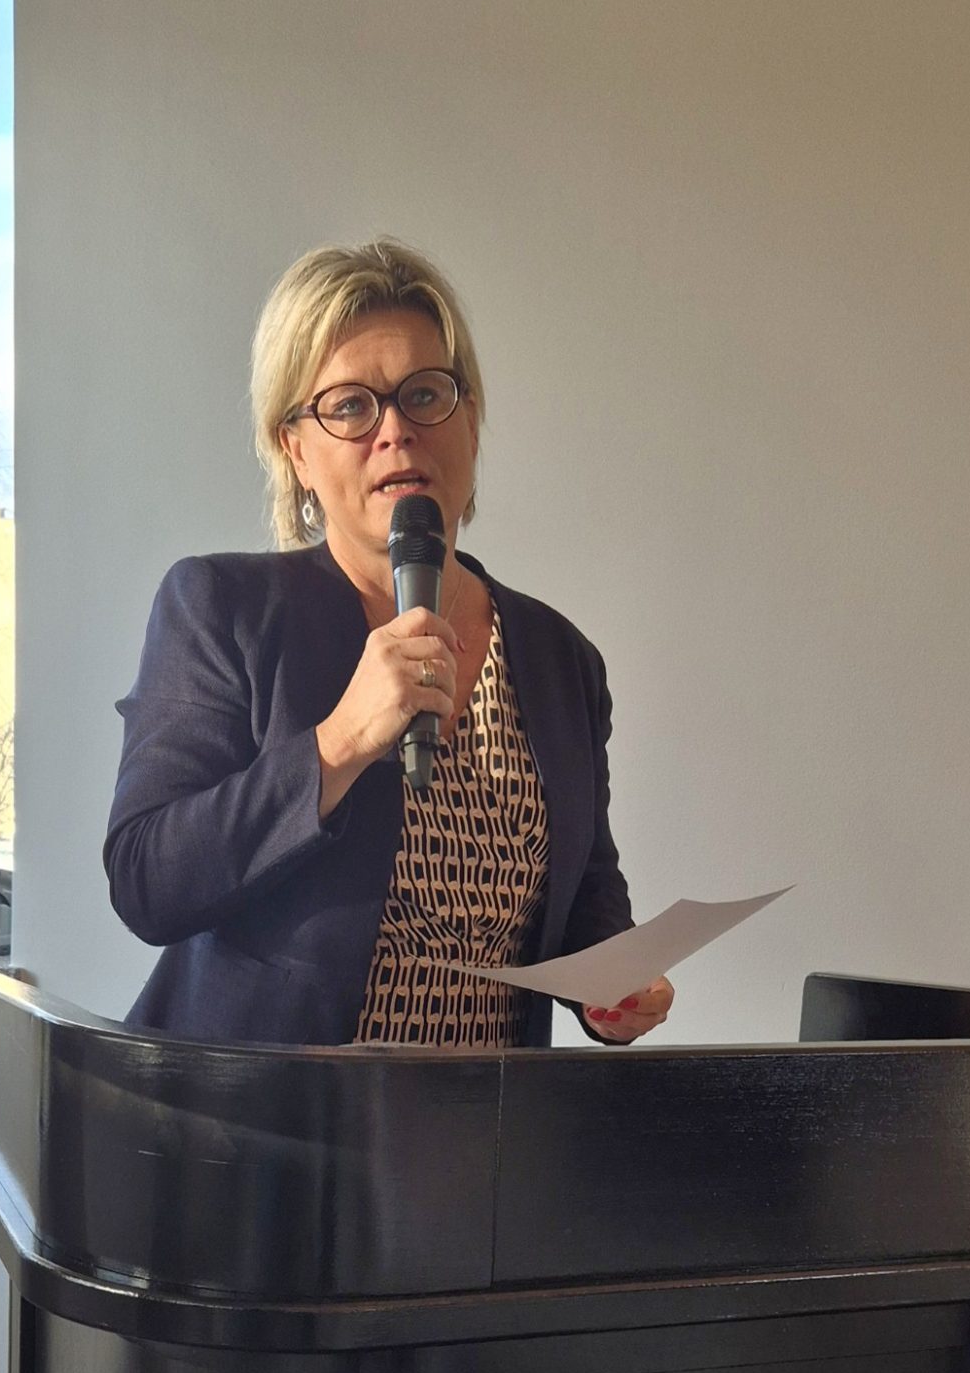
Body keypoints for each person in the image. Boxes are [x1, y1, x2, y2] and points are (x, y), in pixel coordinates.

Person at [104, 237, 674, 1049]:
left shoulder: (560, 658)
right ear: (295, 449)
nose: (397, 431)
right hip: (269, 1117)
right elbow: (147, 881)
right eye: (348, 406)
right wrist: (338, 744)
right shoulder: (222, 608)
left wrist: (612, 983)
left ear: (470, 419)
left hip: (486, 1119)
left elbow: (584, 884)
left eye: (425, 394)